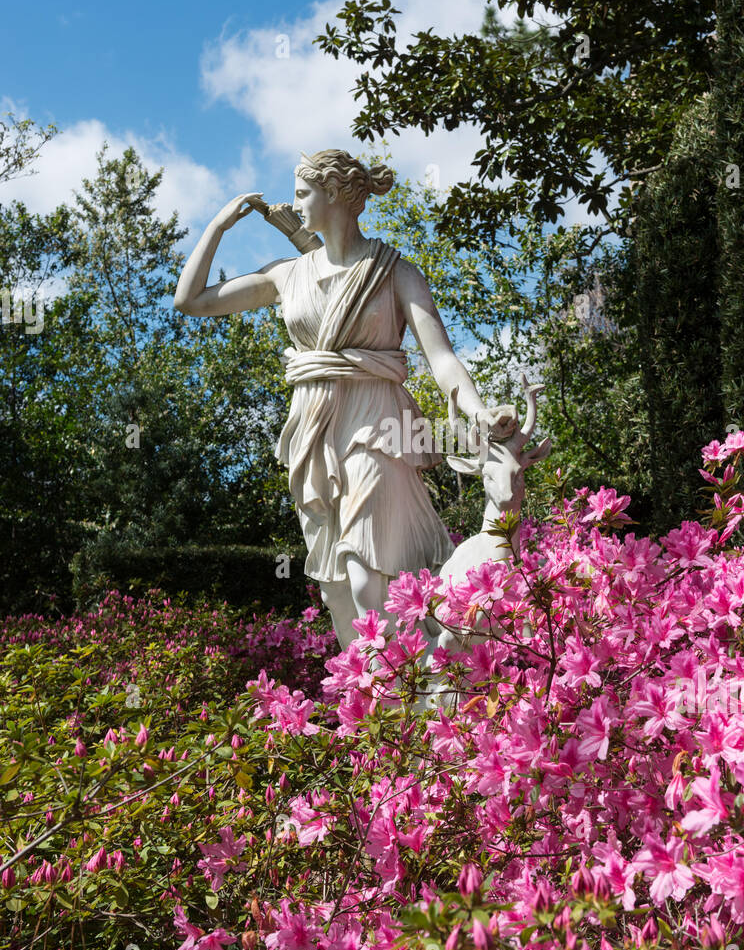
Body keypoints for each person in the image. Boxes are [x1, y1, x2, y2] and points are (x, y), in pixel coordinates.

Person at [174, 148, 516, 648]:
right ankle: (375, 695)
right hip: (314, 428)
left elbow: (441, 359)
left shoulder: (396, 273)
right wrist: (219, 226)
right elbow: (191, 301)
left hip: (378, 424)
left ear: (333, 193)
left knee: (362, 568)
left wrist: (480, 412)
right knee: (337, 589)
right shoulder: (286, 275)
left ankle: (401, 679)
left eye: (301, 193)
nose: (294, 204)